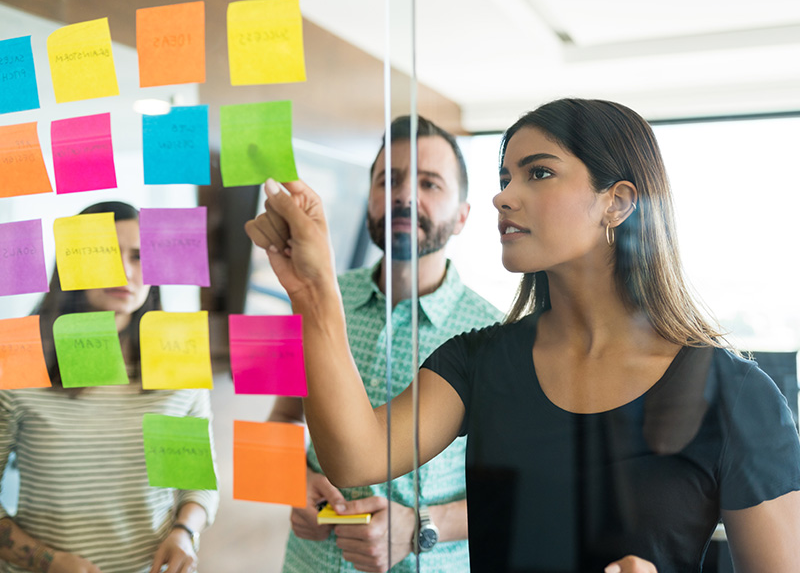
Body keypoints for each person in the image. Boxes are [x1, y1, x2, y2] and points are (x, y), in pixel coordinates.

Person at [245, 99, 800, 572]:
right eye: (505, 178)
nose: (504, 197)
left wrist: (422, 527)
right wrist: (312, 294)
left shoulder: (737, 396)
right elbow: (352, 455)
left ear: (618, 202)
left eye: (538, 173)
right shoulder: (478, 359)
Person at [269, 115, 502, 572]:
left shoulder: (495, 333)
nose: (404, 195)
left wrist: (421, 526)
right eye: (387, 181)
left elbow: (519, 488)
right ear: (371, 199)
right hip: (310, 560)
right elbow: (279, 416)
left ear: (461, 216)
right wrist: (291, 480)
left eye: (430, 183)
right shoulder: (314, 297)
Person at [0, 201, 218, 573]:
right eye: (107, 254)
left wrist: (185, 532)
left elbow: (197, 481)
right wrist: (47, 561)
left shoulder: (177, 356)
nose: (124, 271)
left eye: (138, 256)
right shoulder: (19, 359)